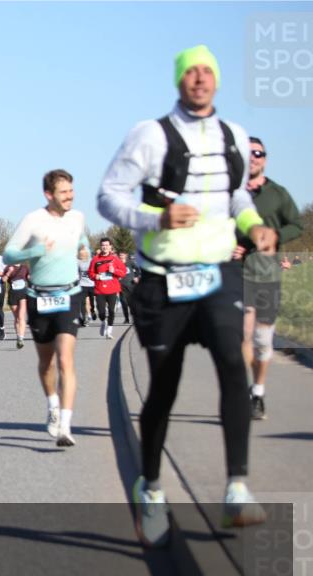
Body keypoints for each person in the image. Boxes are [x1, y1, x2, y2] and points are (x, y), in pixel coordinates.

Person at [98, 46, 277, 546]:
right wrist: (156, 219)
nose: (199, 79)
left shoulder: (233, 136)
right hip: (162, 278)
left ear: (217, 81)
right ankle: (151, 486)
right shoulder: (149, 136)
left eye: (208, 72)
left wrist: (255, 225)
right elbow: (108, 197)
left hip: (218, 272)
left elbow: (237, 194)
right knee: (165, 388)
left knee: (231, 363)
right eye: (191, 72)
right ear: (179, 81)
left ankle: (237, 487)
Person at [4, 169, 89, 448]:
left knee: (66, 359)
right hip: (39, 297)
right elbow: (9, 254)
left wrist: (84, 249)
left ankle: (65, 425)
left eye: (72, 191)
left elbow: (81, 240)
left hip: (69, 293)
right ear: (49, 194)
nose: (70, 197)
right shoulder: (33, 220)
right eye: (64, 192)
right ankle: (52, 405)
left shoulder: (77, 217)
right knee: (47, 362)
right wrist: (35, 251)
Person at [236, 137, 305, 420]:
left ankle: (258, 391)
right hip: (237, 274)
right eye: (248, 153)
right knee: (242, 334)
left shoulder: (277, 194)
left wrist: (276, 236)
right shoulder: (231, 194)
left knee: (263, 340)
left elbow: (296, 225)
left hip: (267, 275)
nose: (253, 157)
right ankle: (240, 392)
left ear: (264, 158)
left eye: (258, 153)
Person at [88, 238, 127, 339]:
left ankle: (109, 330)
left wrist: (114, 271)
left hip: (113, 289)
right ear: (100, 247)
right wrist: (94, 276)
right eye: (103, 245)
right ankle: (103, 321)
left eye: (106, 245)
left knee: (111, 311)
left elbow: (123, 272)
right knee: (101, 312)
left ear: (110, 247)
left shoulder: (115, 259)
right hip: (100, 289)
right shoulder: (95, 259)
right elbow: (90, 273)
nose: (104, 247)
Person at [3, 262, 30, 348]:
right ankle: (18, 336)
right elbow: (3, 280)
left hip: (23, 294)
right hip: (13, 294)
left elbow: (29, 278)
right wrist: (8, 273)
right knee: (17, 318)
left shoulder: (25, 267)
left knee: (21, 317)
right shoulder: (8, 267)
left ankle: (21, 338)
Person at [118, 251, 140, 324]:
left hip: (130, 285)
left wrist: (136, 277)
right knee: (123, 302)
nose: (121, 256)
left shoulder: (130, 262)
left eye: (122, 255)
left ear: (126, 255)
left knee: (131, 303)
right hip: (121, 286)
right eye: (120, 255)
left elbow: (138, 269)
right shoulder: (117, 263)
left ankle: (134, 318)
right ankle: (126, 319)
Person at [77, 246, 96, 326]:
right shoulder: (77, 261)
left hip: (91, 284)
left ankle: (92, 311)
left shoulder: (92, 260)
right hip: (82, 284)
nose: (83, 253)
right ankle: (84, 319)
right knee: (82, 302)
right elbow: (77, 273)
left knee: (92, 301)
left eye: (85, 251)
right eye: (81, 252)